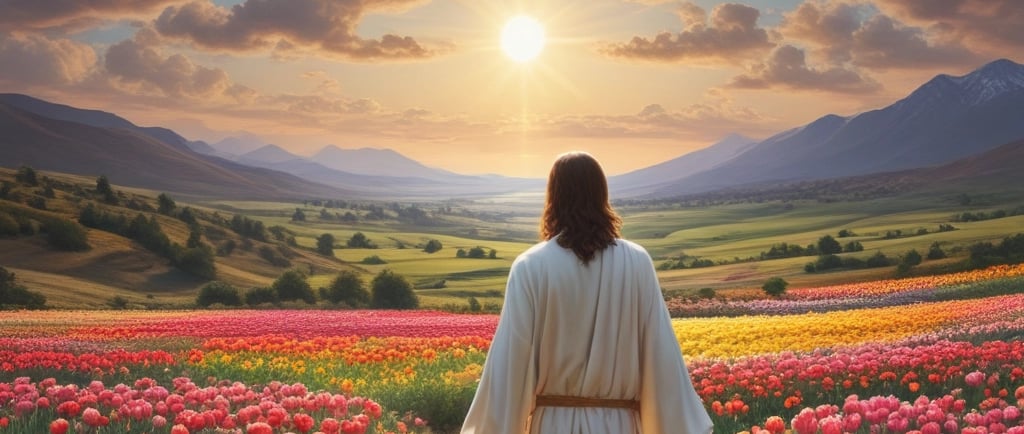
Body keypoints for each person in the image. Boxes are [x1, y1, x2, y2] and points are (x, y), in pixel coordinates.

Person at [461, 151, 712, 434]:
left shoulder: (531, 266)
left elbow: (510, 366)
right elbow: (660, 356)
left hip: (552, 425)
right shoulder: (637, 262)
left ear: (553, 197)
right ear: (602, 195)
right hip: (619, 426)